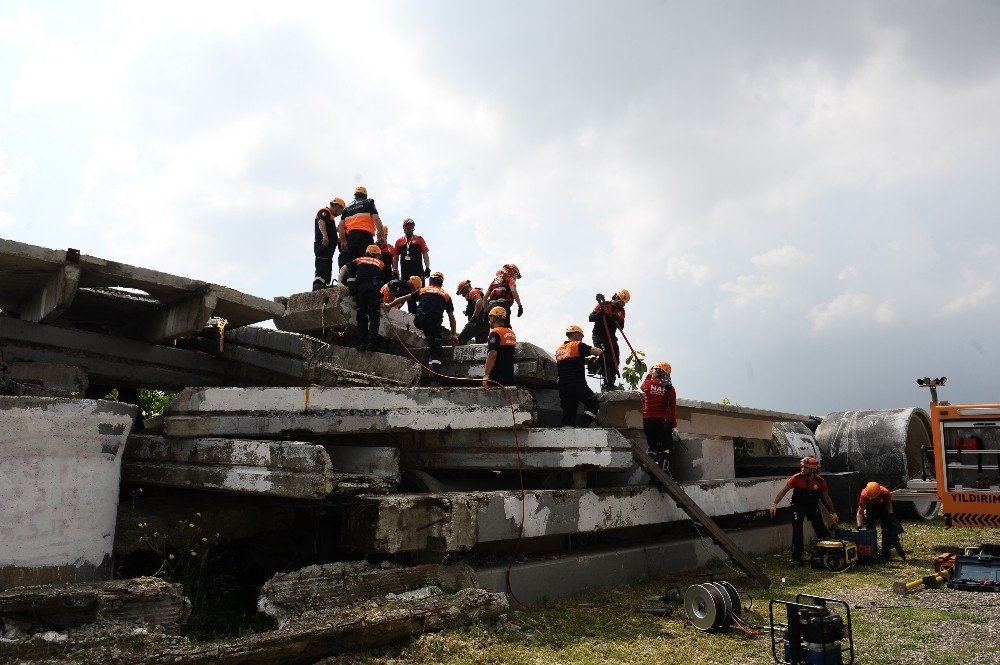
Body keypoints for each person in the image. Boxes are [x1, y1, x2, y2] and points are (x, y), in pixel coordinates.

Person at [388, 271, 458, 386]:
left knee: (429, 333)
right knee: (436, 351)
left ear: (430, 281)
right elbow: (451, 318)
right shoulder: (446, 295)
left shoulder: (423, 290)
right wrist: (454, 334)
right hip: (433, 324)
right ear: (441, 284)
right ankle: (435, 380)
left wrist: (389, 305)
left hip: (419, 321)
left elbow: (404, 298)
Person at [769, 457, 840, 567]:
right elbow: (784, 491)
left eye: (806, 468)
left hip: (812, 507)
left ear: (813, 469)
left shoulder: (820, 481)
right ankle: (797, 559)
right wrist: (774, 504)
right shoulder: (796, 478)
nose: (803, 469)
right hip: (798, 507)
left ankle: (827, 553)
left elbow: (826, 497)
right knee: (797, 531)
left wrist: (833, 512)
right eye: (802, 467)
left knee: (820, 529)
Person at [337, 186, 387, 290]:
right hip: (365, 235)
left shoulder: (347, 208)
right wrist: (381, 236)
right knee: (364, 261)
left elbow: (341, 226)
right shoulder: (369, 202)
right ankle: (361, 287)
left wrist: (343, 241)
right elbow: (376, 219)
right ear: (365, 195)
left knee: (352, 261)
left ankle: (351, 285)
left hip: (351, 237)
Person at [338, 244, 384, 352]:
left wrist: (339, 283)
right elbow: (384, 280)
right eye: (378, 255)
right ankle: (372, 343)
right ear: (374, 254)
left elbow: (344, 267)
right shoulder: (380, 264)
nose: (379, 258)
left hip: (360, 290)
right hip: (373, 289)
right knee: (374, 317)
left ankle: (362, 343)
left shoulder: (359, 260)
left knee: (361, 317)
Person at [554, 324, 603, 427]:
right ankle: (582, 426)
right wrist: (602, 351)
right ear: (576, 335)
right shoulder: (577, 345)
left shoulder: (559, 350)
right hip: (577, 384)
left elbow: (571, 360)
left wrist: (586, 361)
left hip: (563, 386)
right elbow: (596, 352)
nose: (582, 339)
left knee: (569, 414)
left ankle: (567, 435)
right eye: (581, 337)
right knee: (593, 404)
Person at [588, 289, 629, 391]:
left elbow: (621, 326)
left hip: (611, 337)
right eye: (622, 302)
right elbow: (590, 318)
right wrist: (600, 314)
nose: (623, 305)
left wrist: (614, 318)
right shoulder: (604, 305)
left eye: (624, 303)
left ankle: (611, 382)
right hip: (599, 336)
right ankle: (606, 382)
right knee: (606, 356)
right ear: (617, 298)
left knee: (616, 358)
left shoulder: (621, 311)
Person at [641, 362, 677, 472]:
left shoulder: (648, 384)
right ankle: (663, 472)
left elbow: (642, 387)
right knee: (666, 448)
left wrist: (649, 376)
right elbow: (673, 410)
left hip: (648, 421)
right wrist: (674, 426)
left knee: (653, 449)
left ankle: (652, 476)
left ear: (655, 372)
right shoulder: (671, 389)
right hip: (663, 422)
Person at [392, 219, 431, 312]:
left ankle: (423, 313)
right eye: (407, 227)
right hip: (405, 273)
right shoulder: (399, 241)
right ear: (403, 228)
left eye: (411, 227)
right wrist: (395, 269)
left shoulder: (419, 239)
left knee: (421, 293)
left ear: (413, 228)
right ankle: (412, 313)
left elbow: (425, 254)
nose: (409, 229)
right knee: (408, 294)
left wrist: (428, 268)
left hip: (418, 272)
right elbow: (396, 257)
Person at [857, 481, 900, 562]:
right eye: (871, 498)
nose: (873, 499)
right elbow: (860, 512)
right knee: (870, 528)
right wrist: (859, 525)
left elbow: (889, 504)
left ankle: (886, 552)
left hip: (882, 507)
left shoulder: (885, 493)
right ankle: (872, 549)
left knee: (886, 528)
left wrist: (891, 514)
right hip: (870, 508)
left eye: (875, 498)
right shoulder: (864, 496)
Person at [313, 197, 345, 291]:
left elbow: (330, 228)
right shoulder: (325, 211)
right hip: (323, 245)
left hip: (328, 248)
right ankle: (318, 284)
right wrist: (325, 236)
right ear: (336, 206)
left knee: (327, 265)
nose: (340, 214)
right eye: (340, 211)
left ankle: (324, 284)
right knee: (322, 264)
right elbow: (321, 222)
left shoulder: (330, 216)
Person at [483, 306, 516, 388]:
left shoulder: (496, 332)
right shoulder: (511, 333)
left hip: (496, 379)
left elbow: (492, 354)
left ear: (493, 318)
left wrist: (486, 376)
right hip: (509, 378)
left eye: (490, 318)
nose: (489, 321)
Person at [456, 280, 488, 344]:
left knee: (459, 341)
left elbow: (479, 302)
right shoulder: (478, 293)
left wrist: (473, 318)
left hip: (476, 323)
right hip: (485, 324)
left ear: (466, 288)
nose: (462, 295)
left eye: (462, 292)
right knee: (480, 347)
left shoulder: (472, 291)